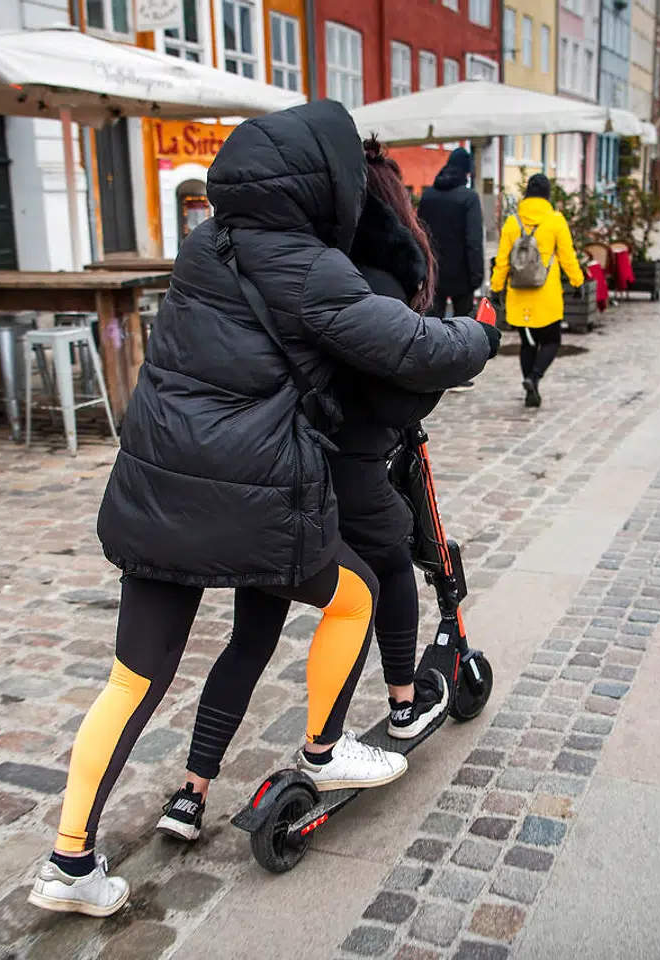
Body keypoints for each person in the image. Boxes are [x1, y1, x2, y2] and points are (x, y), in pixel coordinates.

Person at [28, 100, 499, 918]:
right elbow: (412, 346)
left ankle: (69, 864)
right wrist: (483, 333)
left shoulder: (204, 244)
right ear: (321, 183)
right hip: (246, 496)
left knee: (131, 680)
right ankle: (322, 751)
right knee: (354, 595)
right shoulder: (310, 267)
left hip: (153, 492)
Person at [152, 137, 456, 844]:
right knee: (382, 570)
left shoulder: (303, 268)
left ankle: (191, 792)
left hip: (282, 477)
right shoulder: (376, 285)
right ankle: (395, 708)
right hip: (346, 470)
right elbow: (386, 401)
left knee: (251, 635)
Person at [491, 174, 586, 409]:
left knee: (527, 344)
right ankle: (534, 378)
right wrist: (577, 281)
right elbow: (567, 256)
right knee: (552, 340)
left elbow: (502, 260)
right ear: (547, 195)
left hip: (518, 293)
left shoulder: (513, 222)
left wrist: (496, 287)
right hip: (547, 294)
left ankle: (528, 386)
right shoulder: (555, 221)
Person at [418, 147, 485, 392]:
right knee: (462, 324)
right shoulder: (468, 198)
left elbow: (419, 232)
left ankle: (433, 372)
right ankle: (458, 375)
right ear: (467, 171)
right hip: (462, 271)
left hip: (433, 269)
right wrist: (477, 273)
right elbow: (473, 240)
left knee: (433, 322)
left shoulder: (428, 196)